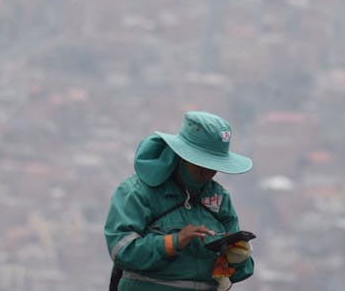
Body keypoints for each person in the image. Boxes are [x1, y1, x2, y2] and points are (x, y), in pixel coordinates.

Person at [104, 111, 255, 291]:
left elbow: (240, 272)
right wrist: (174, 242)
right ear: (182, 155)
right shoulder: (137, 192)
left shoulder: (220, 199)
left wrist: (238, 257)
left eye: (214, 166)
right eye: (202, 164)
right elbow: (121, 250)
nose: (208, 172)